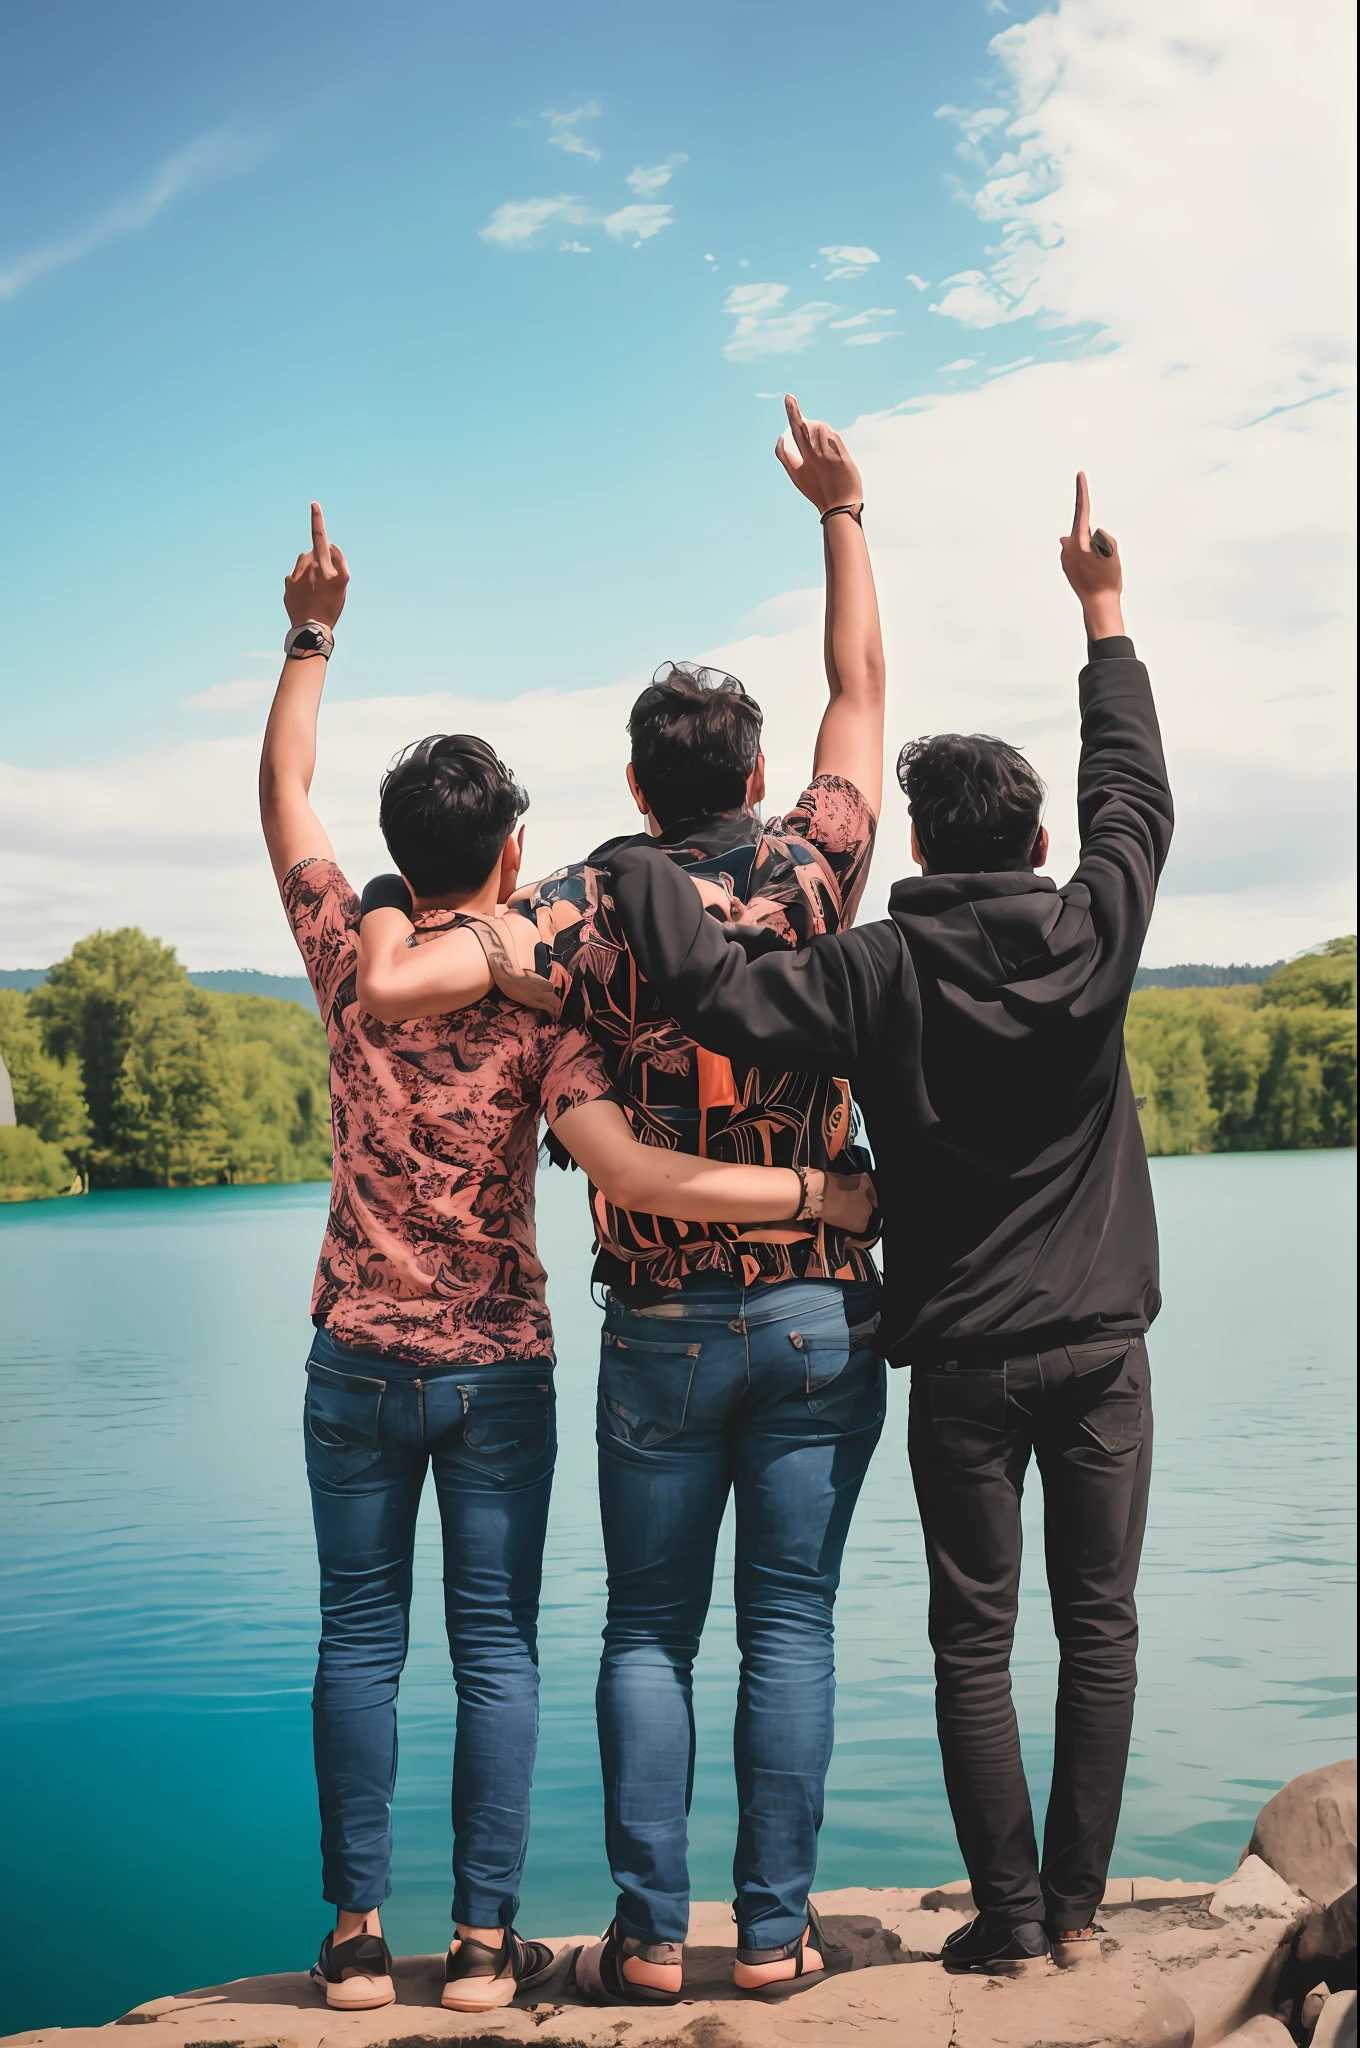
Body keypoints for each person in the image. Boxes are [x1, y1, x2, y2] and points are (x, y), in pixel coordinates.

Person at [258, 506, 874, 2018]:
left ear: (628, 795)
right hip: (692, 1331)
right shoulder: (808, 877)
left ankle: (414, 1940)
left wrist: (309, 636)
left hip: (491, 1341)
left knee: (452, 1634)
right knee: (709, 1628)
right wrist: (842, 516)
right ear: (749, 778)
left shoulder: (538, 938)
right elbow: (857, 693)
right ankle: (553, 1945)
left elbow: (294, 809)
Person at [602, 475, 1174, 1978]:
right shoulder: (1096, 927)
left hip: (964, 1364)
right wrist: (1103, 618)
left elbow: (719, 995)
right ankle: (1078, 1908)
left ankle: (1001, 1920)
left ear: (918, 838)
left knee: (974, 1643)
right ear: (1038, 830)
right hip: (1105, 1344)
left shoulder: (873, 966)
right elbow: (1138, 798)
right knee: (1098, 1627)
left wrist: (644, 863)